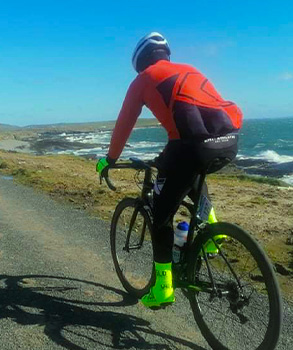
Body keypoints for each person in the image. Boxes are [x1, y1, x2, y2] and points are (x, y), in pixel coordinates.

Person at [96, 32, 243, 308]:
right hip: (227, 142)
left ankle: (163, 287)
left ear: (140, 61)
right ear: (165, 53)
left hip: (190, 147)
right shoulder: (190, 70)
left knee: (161, 215)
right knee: (190, 171)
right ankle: (211, 233)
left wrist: (111, 159)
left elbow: (124, 124)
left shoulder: (143, 79)